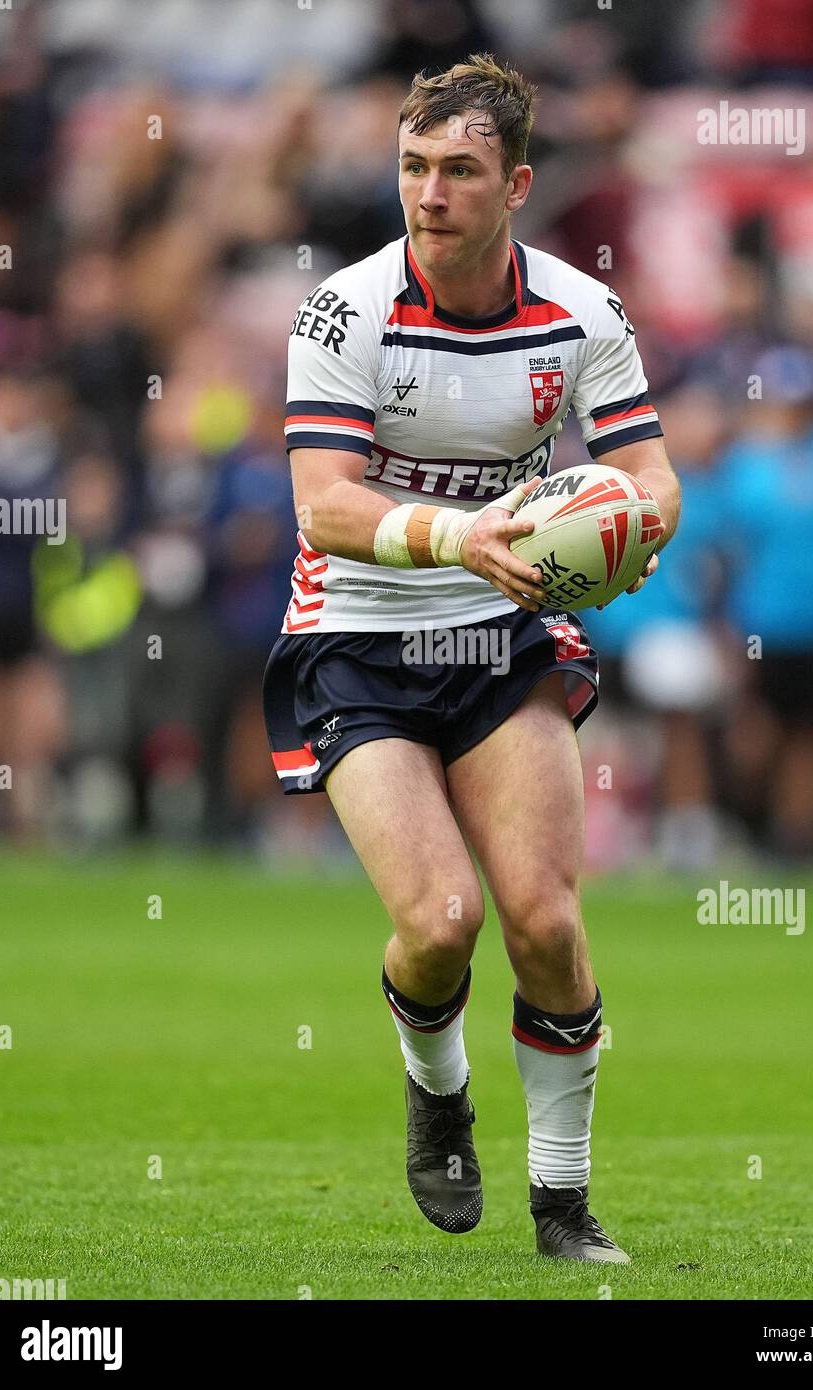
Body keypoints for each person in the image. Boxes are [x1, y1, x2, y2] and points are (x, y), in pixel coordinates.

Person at [262, 54, 680, 1263]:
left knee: (544, 919)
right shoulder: (344, 308)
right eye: (412, 165)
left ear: (516, 187)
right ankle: (437, 1092)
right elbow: (324, 506)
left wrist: (636, 534)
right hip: (355, 633)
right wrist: (463, 533)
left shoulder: (581, 311)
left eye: (458, 170)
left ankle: (563, 1208)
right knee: (441, 921)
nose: (428, 193)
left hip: (503, 633)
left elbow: (653, 477)